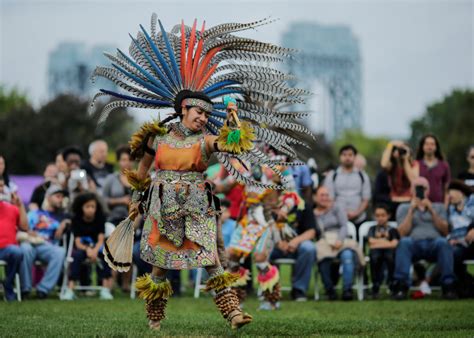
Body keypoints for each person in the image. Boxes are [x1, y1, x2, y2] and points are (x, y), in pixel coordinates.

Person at [93, 15, 311, 331]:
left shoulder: (206, 141)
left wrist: (233, 117)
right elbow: (141, 171)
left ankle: (234, 314)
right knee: (160, 269)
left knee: (212, 262)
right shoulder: (156, 137)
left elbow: (233, 145)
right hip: (162, 209)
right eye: (199, 113)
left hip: (197, 209)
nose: (203, 118)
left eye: (207, 114)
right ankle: (154, 322)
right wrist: (135, 199)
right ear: (184, 109)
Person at [392, 177, 456, 300]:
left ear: (429, 190)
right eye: (417, 188)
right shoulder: (403, 208)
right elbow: (401, 233)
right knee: (404, 242)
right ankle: (401, 286)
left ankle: (448, 286)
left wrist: (431, 210)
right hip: (413, 243)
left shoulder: (439, 207)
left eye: (423, 188)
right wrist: (411, 210)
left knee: (443, 242)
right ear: (411, 190)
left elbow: (445, 231)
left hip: (434, 243)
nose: (420, 191)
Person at [314, 186, 364, 301]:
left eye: (327, 195)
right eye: (322, 195)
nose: (325, 198)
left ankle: (347, 290)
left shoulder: (337, 207)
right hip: (324, 242)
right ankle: (330, 290)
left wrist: (339, 240)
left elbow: (344, 225)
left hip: (340, 239)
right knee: (322, 257)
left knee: (347, 255)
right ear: (316, 197)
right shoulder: (314, 213)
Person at [62, 192, 113, 300]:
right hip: (82, 248)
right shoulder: (76, 219)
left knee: (106, 256)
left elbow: (101, 239)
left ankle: (105, 289)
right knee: (76, 256)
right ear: (81, 207)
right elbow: (78, 242)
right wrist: (87, 250)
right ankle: (70, 289)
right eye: (87, 206)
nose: (90, 209)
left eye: (92, 206)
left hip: (97, 247)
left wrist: (94, 251)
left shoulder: (100, 218)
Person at [20, 184, 68, 299]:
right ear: (48, 197)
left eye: (62, 197)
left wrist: (65, 223)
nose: (60, 199)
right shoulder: (34, 213)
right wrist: (28, 232)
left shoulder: (62, 216)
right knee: (25, 249)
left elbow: (72, 220)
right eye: (57, 196)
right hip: (30, 242)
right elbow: (24, 227)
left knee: (60, 252)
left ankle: (43, 289)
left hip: (47, 246)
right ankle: (25, 288)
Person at [324, 144, 371, 230]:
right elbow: (329, 198)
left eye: (350, 155)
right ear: (340, 157)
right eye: (344, 155)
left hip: (359, 219)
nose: (347, 157)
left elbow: (366, 199)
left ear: (355, 157)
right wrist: (342, 214)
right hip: (337, 219)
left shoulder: (363, 176)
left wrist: (356, 213)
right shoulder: (332, 175)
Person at [0, 177, 27, 301]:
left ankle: (7, 284)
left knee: (17, 252)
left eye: (1, 186)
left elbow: (24, 227)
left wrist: (20, 205)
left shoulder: (11, 208)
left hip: (7, 249)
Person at [367, 204, 400, 298]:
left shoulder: (393, 230)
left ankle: (392, 285)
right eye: (377, 216)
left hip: (389, 254)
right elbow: (370, 242)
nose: (380, 218)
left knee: (390, 258)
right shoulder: (372, 229)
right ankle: (375, 286)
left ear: (388, 215)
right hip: (376, 254)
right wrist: (386, 241)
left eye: (383, 215)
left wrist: (378, 242)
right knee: (374, 258)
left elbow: (394, 244)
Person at [380, 140, 419, 216]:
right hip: (393, 201)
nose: (401, 151)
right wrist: (390, 145)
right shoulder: (392, 164)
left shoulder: (414, 164)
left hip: (408, 201)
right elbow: (384, 165)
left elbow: (413, 180)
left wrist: (405, 160)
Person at [446, 180, 474, 283]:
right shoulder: (450, 208)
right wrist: (451, 240)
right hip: (459, 244)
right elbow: (448, 230)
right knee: (451, 253)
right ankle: (465, 284)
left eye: (450, 193)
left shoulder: (472, 202)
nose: (449, 196)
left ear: (459, 192)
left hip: (472, 241)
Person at [415, 134, 451, 204]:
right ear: (422, 146)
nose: (429, 146)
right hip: (419, 205)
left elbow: (446, 188)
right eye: (427, 144)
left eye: (432, 144)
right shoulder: (416, 164)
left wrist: (445, 205)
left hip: (438, 205)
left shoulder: (444, 165)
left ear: (436, 147)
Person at [102, 145, 132, 225]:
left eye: (129, 160)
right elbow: (103, 199)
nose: (127, 163)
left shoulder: (138, 179)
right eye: (124, 160)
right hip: (115, 218)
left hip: (134, 220)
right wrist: (120, 200)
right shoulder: (111, 178)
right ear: (118, 161)